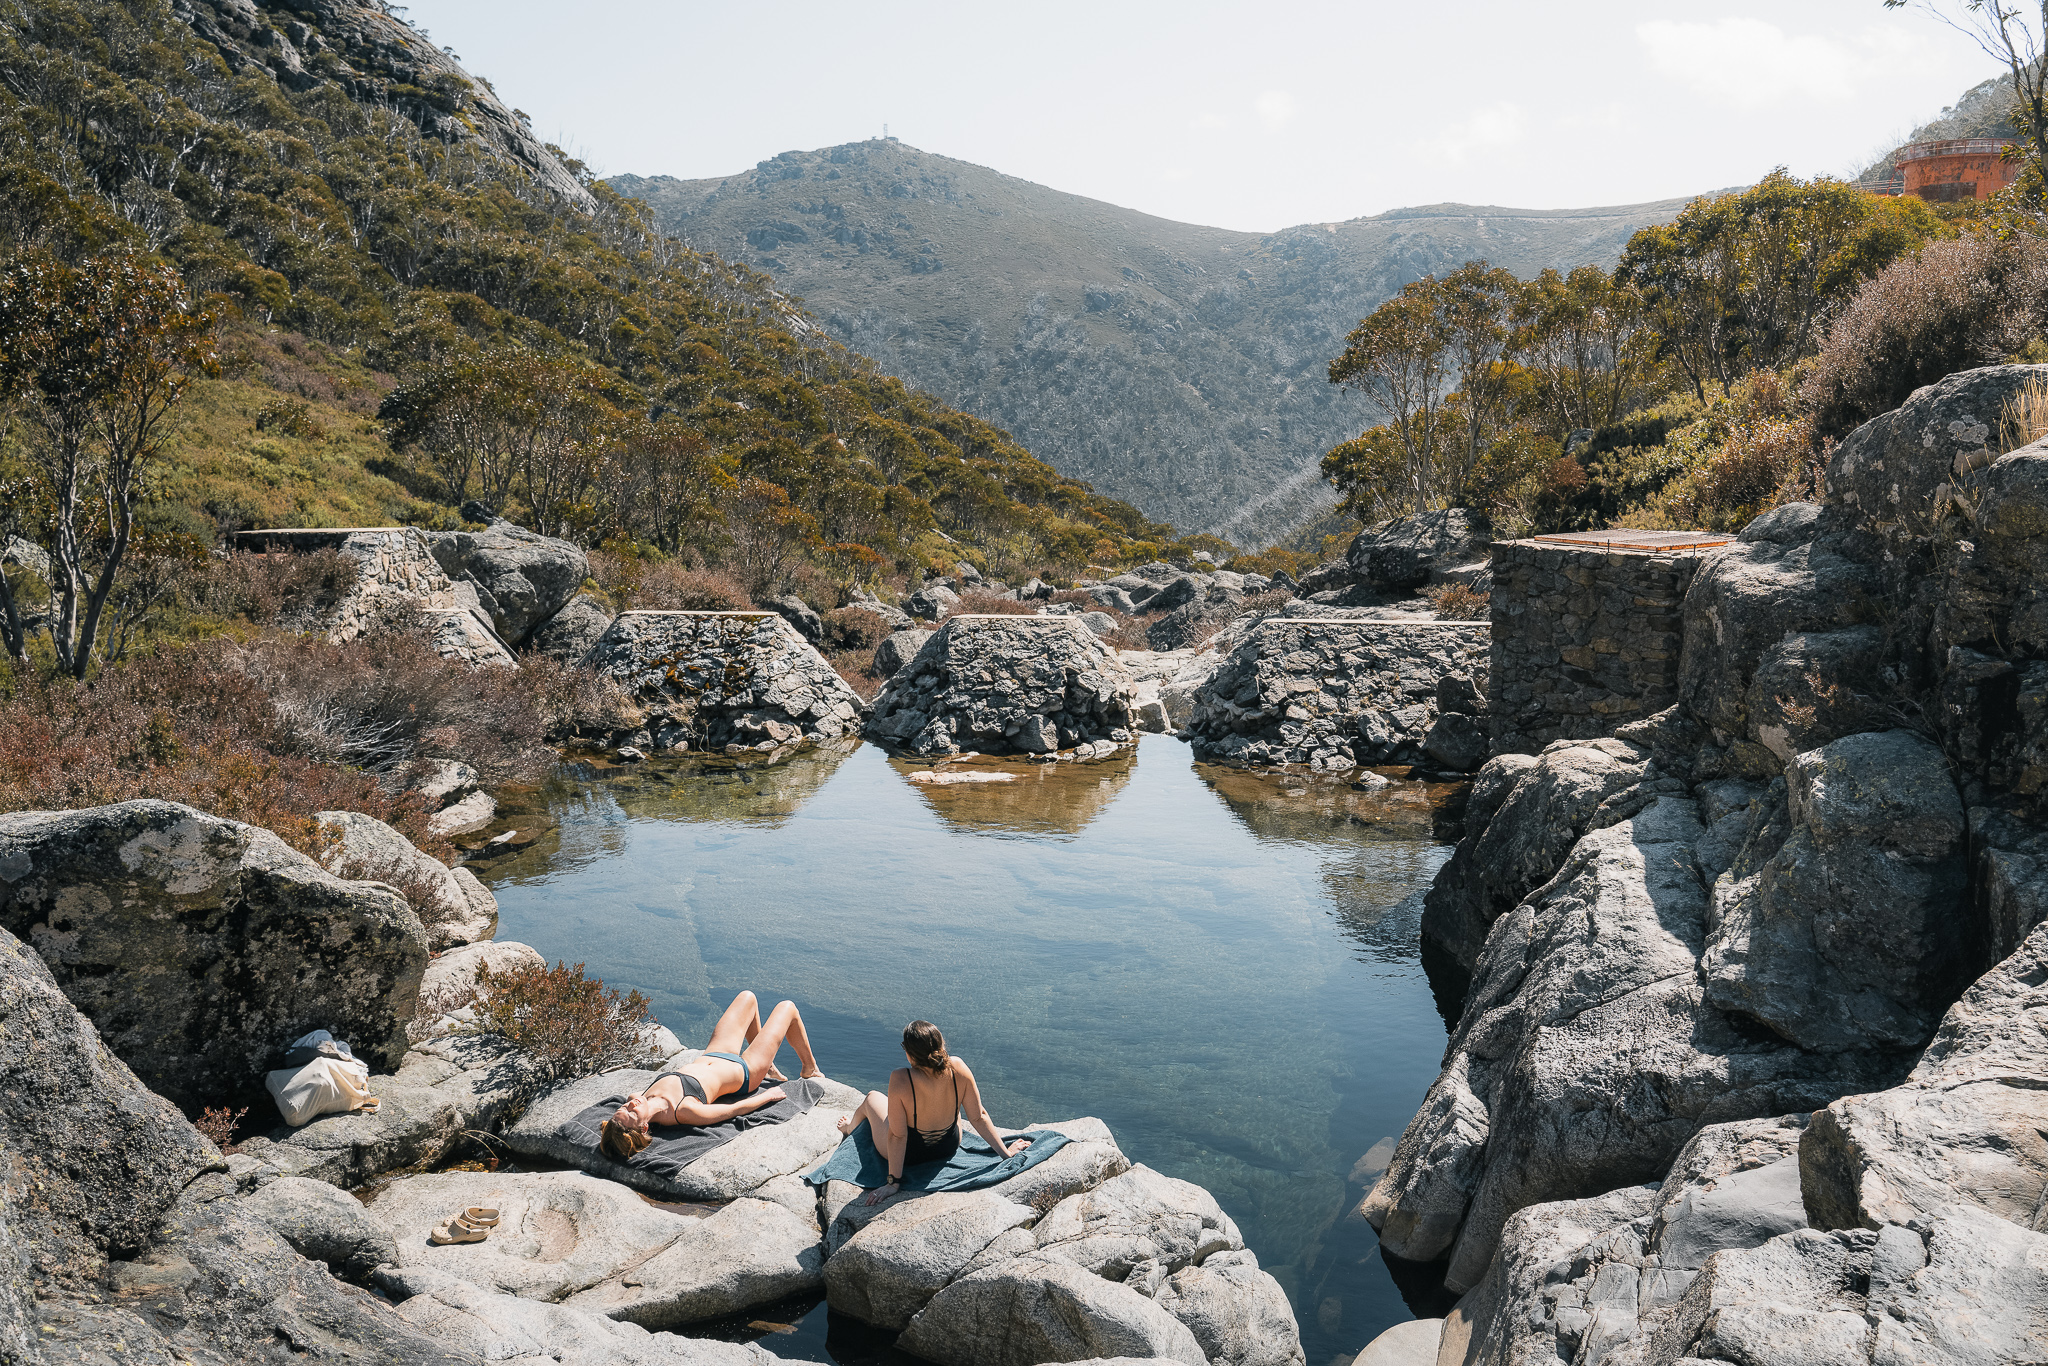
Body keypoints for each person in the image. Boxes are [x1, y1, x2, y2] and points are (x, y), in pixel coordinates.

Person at [600, 991, 820, 1160]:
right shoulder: (684, 1111)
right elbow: (732, 1111)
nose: (630, 1105)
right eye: (632, 1112)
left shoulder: (637, 1097)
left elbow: (621, 1121)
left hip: (715, 1051)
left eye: (622, 1108)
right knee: (788, 1008)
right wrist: (767, 1096)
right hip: (745, 1072)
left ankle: (770, 1067)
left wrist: (616, 1127)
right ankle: (809, 1068)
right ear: (644, 1127)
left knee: (748, 998)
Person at [837, 1019, 1028, 1205]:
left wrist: (893, 1183)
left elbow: (897, 1135)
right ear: (941, 1045)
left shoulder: (901, 1078)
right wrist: (1006, 1154)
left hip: (911, 1155)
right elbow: (978, 1116)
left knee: (871, 1097)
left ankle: (849, 1128)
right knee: (953, 1103)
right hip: (947, 1146)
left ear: (909, 1053)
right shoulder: (958, 1067)